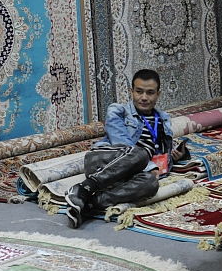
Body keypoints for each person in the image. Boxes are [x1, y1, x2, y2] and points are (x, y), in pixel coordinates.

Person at [64, 69, 187, 228]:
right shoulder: (118, 110)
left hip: (131, 170)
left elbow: (160, 151)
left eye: (150, 93)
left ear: (158, 94)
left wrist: (177, 155)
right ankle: (85, 187)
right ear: (131, 91)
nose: (144, 97)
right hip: (103, 160)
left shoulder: (163, 119)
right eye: (139, 91)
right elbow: (121, 142)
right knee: (140, 154)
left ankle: (89, 204)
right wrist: (150, 165)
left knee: (151, 184)